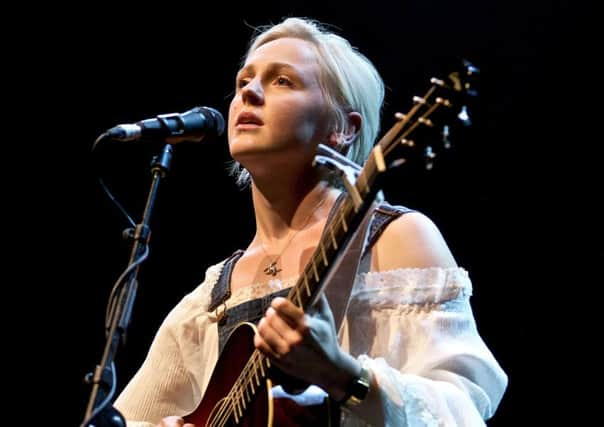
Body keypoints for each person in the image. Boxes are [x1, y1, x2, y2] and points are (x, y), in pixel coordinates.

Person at [113, 16, 507, 427]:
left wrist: (342, 375)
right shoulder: (212, 297)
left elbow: (463, 408)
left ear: (343, 128)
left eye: (283, 81)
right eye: (243, 81)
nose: (250, 91)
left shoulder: (393, 239)